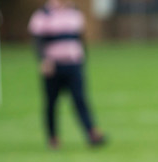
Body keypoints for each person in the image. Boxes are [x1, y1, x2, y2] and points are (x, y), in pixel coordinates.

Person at [28, 0, 105, 149]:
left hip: (73, 64)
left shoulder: (74, 13)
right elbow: (37, 41)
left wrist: (82, 59)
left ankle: (91, 133)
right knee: (51, 102)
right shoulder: (43, 14)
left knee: (80, 99)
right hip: (54, 65)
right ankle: (53, 138)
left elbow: (79, 38)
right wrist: (43, 60)